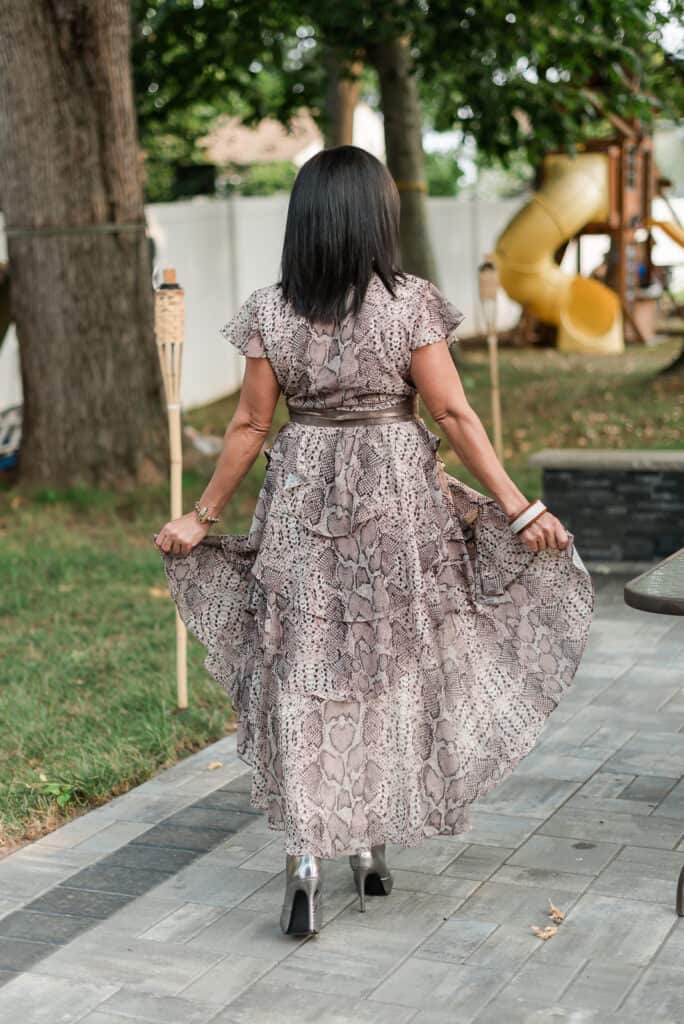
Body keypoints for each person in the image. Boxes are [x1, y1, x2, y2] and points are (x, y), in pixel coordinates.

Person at [155, 145, 594, 939]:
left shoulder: (269, 309)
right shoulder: (408, 304)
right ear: (374, 217)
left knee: (305, 665)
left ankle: (306, 855)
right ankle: (367, 842)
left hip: (302, 501)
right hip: (395, 502)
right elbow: (454, 416)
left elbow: (252, 423)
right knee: (388, 664)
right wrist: (520, 508)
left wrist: (202, 516)